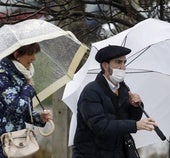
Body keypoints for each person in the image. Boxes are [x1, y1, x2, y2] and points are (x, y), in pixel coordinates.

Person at [72, 45, 157, 158]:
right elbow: (100, 126)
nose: (123, 67)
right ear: (105, 65)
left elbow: (127, 121)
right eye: (118, 62)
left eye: (124, 62)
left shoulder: (123, 89)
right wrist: (135, 125)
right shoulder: (91, 91)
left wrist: (135, 107)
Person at [0, 43, 53, 158]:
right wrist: (28, 87)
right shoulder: (2, 75)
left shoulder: (19, 74)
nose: (34, 58)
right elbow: (17, 107)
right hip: (3, 142)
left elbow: (18, 112)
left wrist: (39, 118)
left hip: (14, 142)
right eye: (30, 54)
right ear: (17, 54)